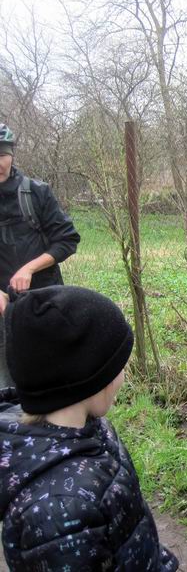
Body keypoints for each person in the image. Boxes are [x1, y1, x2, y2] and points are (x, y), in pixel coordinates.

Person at [0, 286, 179, 571]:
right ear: (87, 378)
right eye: (117, 366)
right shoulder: (57, 513)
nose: (121, 378)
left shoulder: (92, 429)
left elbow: (129, 527)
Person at [0, 123, 80, 388]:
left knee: (52, 372)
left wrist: (29, 269)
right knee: (8, 381)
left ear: (12, 154)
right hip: (2, 308)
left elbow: (67, 240)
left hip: (44, 299)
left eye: (2, 154)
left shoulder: (35, 192)